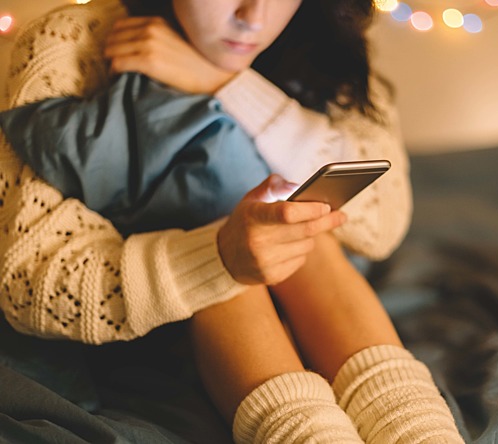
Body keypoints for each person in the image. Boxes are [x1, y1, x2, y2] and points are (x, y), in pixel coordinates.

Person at [0, 0, 465, 442]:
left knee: (300, 226)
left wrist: (223, 82)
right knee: (234, 227)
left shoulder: (328, 38)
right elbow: (29, 280)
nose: (252, 18)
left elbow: (382, 225)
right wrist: (219, 256)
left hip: (314, 286)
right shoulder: (71, 41)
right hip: (155, 309)